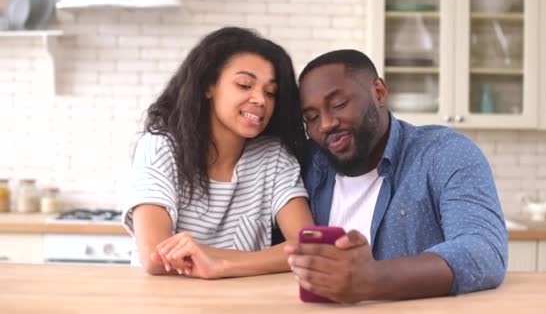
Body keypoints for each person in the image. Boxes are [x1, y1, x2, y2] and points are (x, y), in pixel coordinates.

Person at [285, 49, 507, 303]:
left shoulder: (444, 153)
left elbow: (484, 251)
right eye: (311, 118)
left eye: (339, 105)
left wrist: (373, 279)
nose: (325, 124)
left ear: (379, 92)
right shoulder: (306, 165)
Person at [122, 27, 314, 278]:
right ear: (208, 86)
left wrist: (219, 265)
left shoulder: (273, 157)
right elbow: (154, 258)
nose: (260, 100)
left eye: (270, 92)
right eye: (245, 85)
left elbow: (311, 247)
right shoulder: (160, 147)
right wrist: (258, 260)